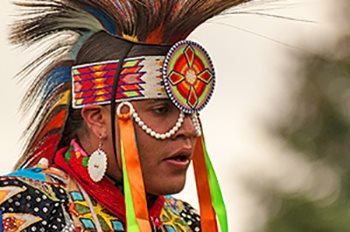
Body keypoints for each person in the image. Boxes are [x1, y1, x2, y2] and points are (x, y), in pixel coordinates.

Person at [0, 0, 250, 231]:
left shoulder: (187, 222)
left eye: (190, 112)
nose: (188, 129)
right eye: (161, 110)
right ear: (97, 119)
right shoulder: (24, 204)